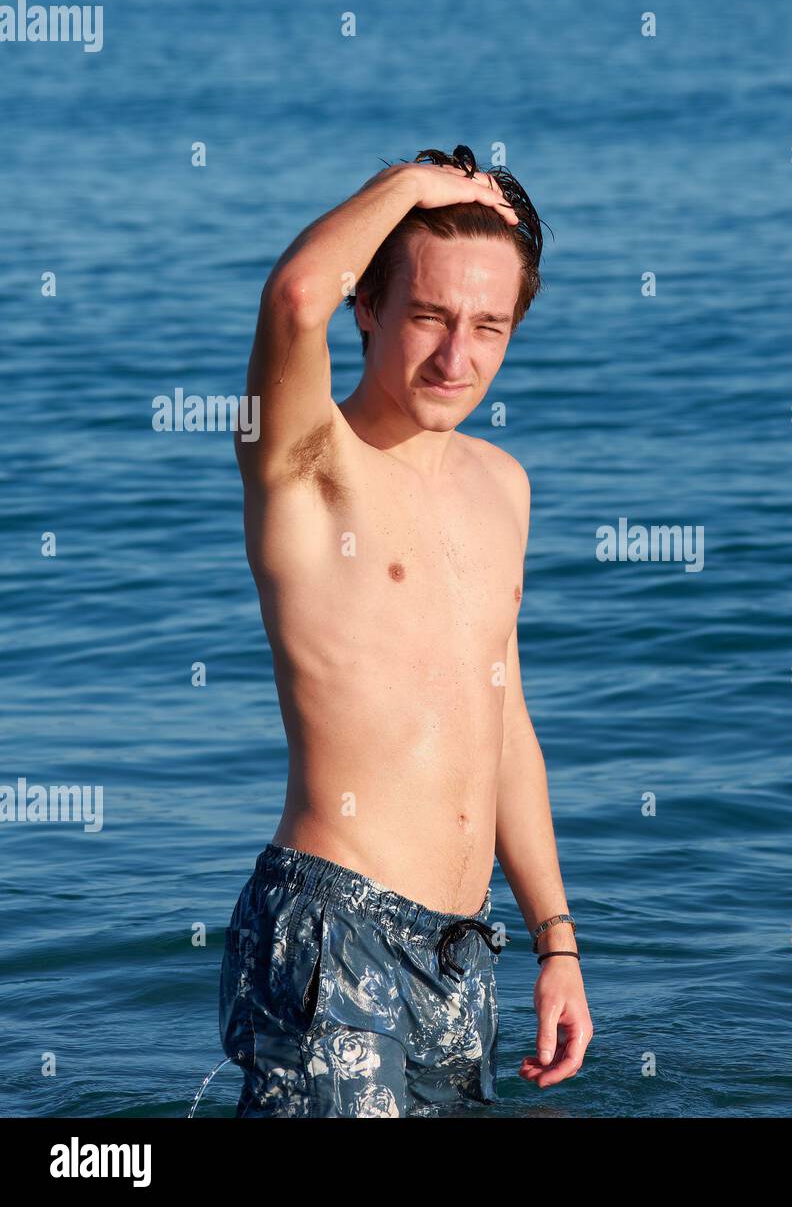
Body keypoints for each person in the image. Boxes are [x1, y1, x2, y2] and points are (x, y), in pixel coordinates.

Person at [217, 145, 592, 1116]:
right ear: (369, 307)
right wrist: (417, 187)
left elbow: (502, 722)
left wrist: (557, 943)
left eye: (488, 327)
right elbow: (296, 297)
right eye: (427, 315)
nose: (455, 357)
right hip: (332, 935)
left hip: (462, 954)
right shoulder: (304, 463)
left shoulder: (501, 488)